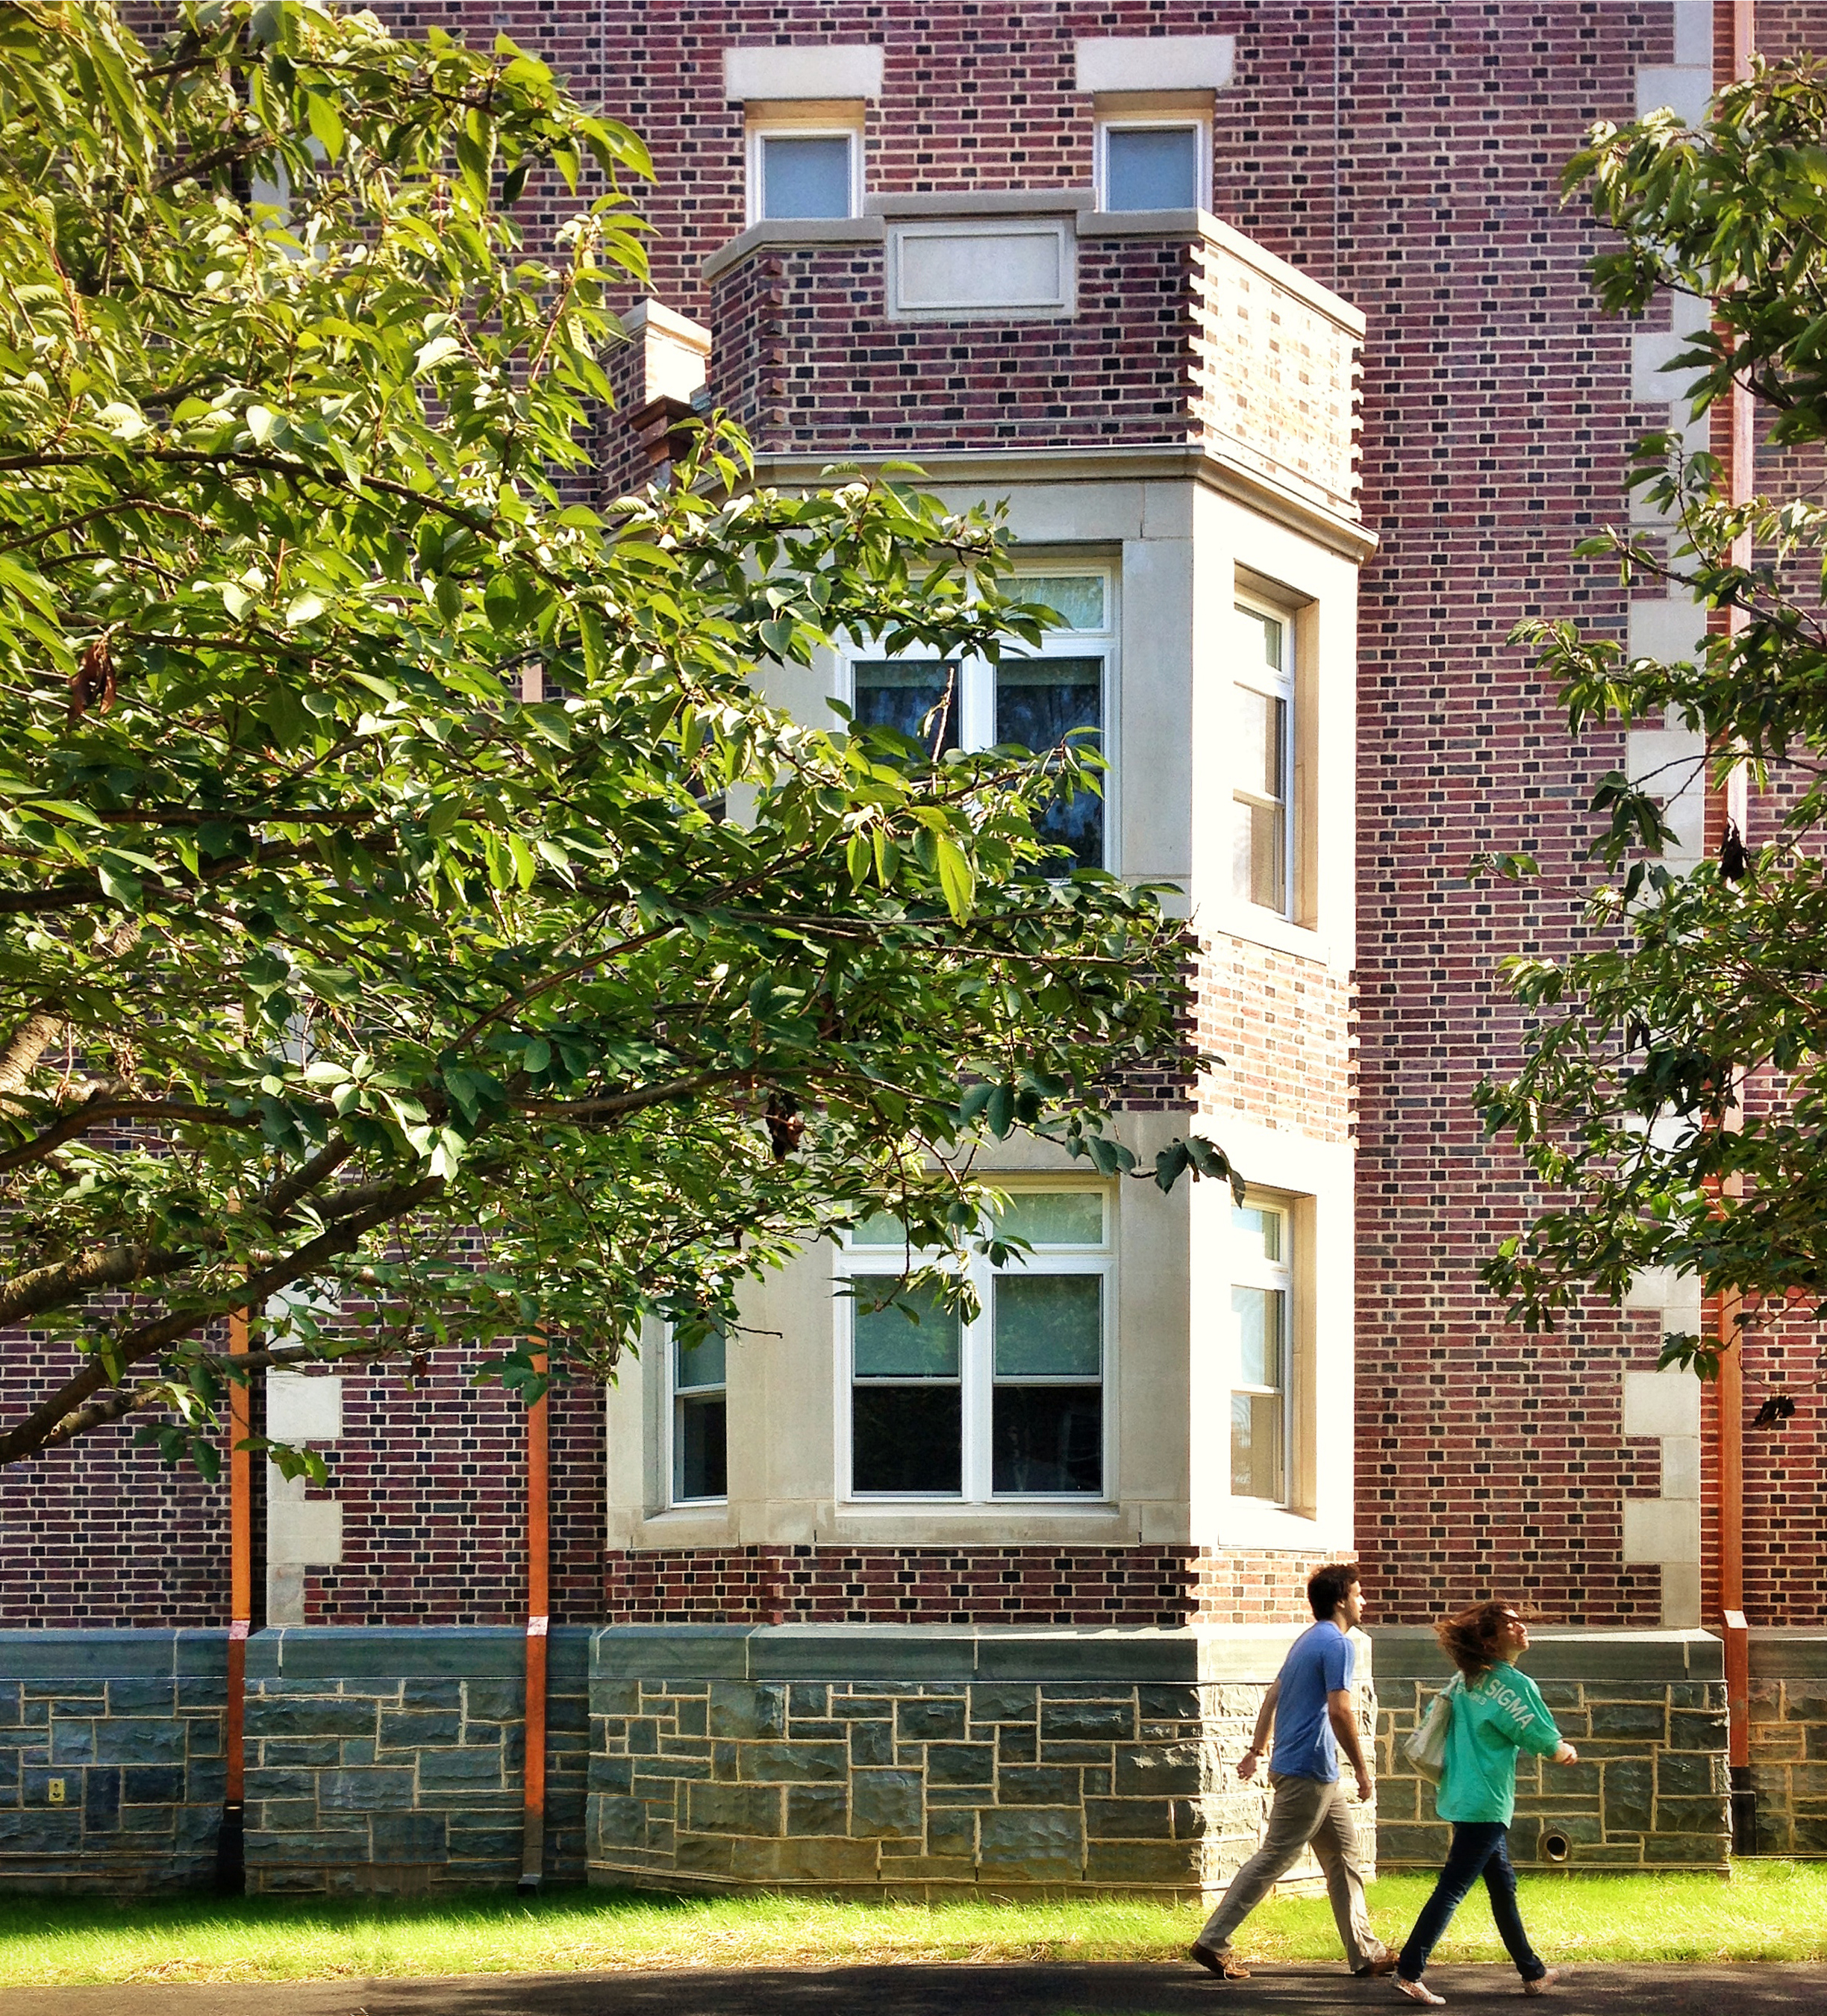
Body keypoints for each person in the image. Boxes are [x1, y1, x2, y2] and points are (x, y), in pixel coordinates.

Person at [1190, 1561, 1394, 1982]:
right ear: (1341, 1600)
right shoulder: (1338, 1644)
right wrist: (1362, 1769)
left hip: (1313, 1771)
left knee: (1343, 1858)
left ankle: (1366, 1953)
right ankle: (1213, 1941)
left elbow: (1272, 1695)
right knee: (1276, 1855)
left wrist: (1256, 1750)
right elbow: (1340, 1710)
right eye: (1359, 1594)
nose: (1364, 1601)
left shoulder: (1308, 1640)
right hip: (1308, 1771)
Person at [1393, 1602, 1578, 2005]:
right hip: (1485, 1801)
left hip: (1463, 1795)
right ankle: (1409, 1969)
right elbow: (1537, 1733)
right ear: (1490, 1641)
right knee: (1453, 1888)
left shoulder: (1465, 1681)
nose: (1521, 1627)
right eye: (1510, 1624)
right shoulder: (1512, 1684)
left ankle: (1533, 1972)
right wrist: (1562, 1750)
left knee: (1502, 1886)